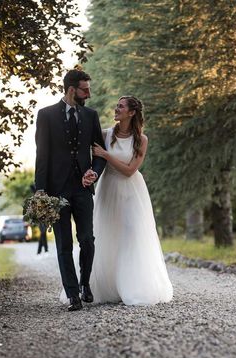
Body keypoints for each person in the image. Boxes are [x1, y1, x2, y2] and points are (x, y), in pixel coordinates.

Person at [88, 95, 173, 305]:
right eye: (117, 105)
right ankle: (107, 288)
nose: (116, 109)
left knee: (132, 234)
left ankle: (133, 286)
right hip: (108, 188)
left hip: (132, 191)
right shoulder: (105, 134)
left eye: (121, 106)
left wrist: (106, 155)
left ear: (132, 113)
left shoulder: (141, 140)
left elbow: (129, 170)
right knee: (107, 234)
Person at [34, 69, 106, 311]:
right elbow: (41, 156)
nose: (89, 94)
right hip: (56, 191)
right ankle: (73, 294)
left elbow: (99, 154)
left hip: (83, 189)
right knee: (63, 243)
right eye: (85, 89)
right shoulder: (46, 116)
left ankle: (85, 284)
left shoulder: (91, 115)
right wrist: (41, 190)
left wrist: (94, 172)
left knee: (87, 239)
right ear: (71, 89)